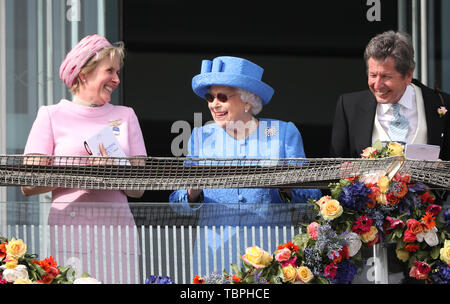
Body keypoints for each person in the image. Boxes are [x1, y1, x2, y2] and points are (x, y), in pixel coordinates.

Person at [169, 56, 321, 276]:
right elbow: (177, 203)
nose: (214, 104)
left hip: (271, 253)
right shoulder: (202, 136)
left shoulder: (278, 132)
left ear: (248, 100)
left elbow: (312, 199)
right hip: (215, 257)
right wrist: (193, 192)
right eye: (210, 97)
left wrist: (287, 186)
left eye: (222, 97)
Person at [21, 34, 147, 283]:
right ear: (83, 74)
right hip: (71, 235)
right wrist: (82, 171)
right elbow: (28, 184)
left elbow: (139, 189)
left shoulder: (126, 115)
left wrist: (116, 172)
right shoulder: (51, 115)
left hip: (118, 235)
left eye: (117, 71)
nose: (116, 79)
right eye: (109, 70)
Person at [330, 30, 450, 161]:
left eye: (386, 76)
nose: (377, 85)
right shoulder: (349, 106)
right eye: (373, 75)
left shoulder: (442, 103)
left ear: (408, 75)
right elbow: (338, 166)